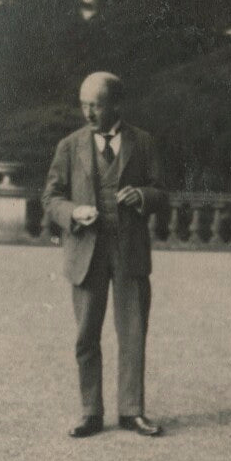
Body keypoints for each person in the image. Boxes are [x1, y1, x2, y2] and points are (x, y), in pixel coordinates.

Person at [42, 72, 168, 437]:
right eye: (84, 104)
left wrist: (143, 195)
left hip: (130, 251)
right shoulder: (69, 146)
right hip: (86, 251)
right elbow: (50, 198)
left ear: (116, 104)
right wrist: (73, 214)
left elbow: (163, 191)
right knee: (86, 335)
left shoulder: (143, 142)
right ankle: (90, 412)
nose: (88, 113)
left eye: (96, 105)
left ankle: (132, 411)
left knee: (132, 333)